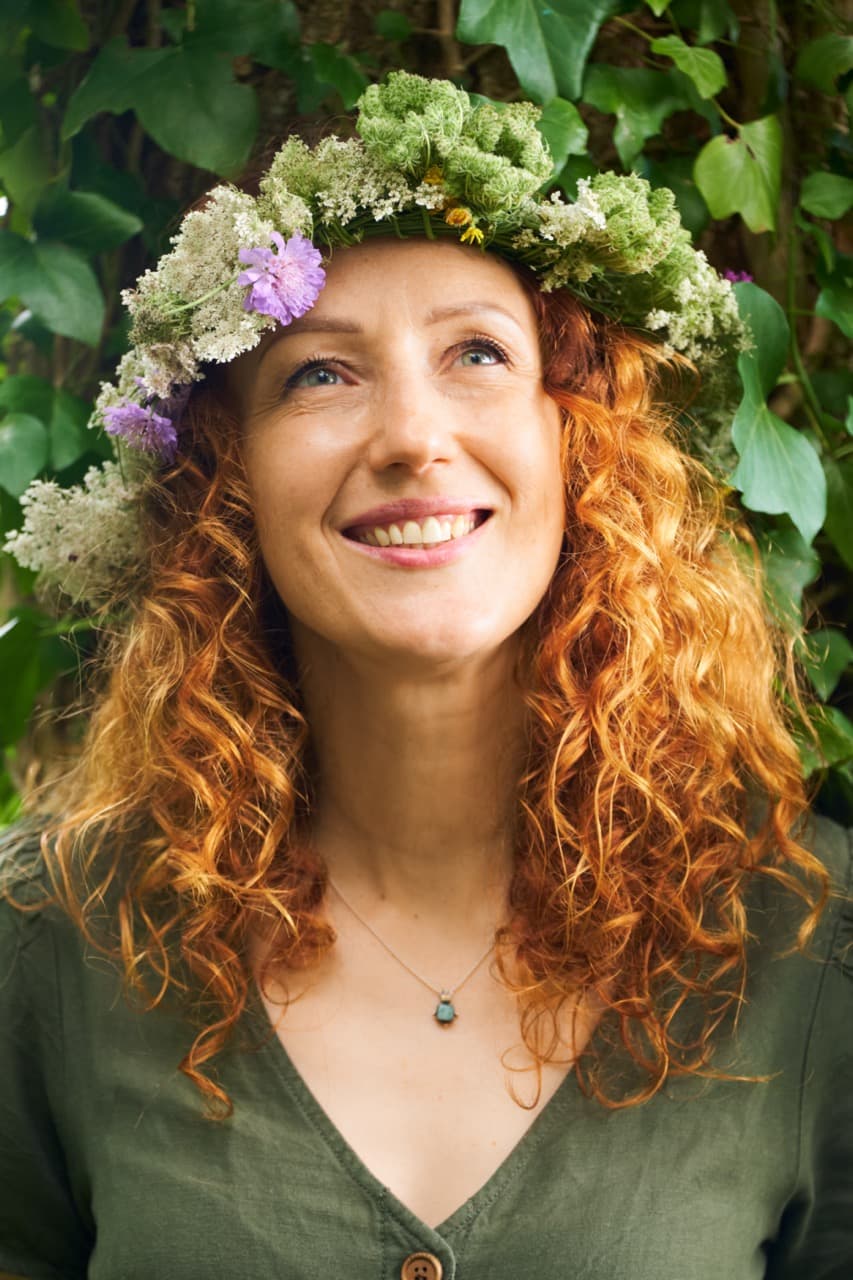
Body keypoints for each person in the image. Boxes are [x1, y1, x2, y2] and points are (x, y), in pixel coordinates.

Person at [0, 72, 850, 1280]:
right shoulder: (48, 940)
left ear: (580, 448)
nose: (410, 436)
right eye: (320, 374)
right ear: (227, 485)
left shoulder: (810, 949)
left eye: (477, 353)